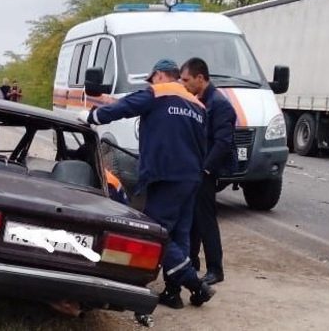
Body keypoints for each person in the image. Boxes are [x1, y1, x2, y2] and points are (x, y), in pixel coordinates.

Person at [80, 58, 214, 310]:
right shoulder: (197, 105)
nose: (151, 83)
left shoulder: (158, 92)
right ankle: (173, 293)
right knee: (180, 235)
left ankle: (195, 285)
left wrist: (92, 116)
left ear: (161, 75)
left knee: (156, 234)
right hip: (191, 177)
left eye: (152, 78)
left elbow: (124, 107)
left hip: (166, 176)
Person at [181, 57, 237, 286]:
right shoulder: (198, 99)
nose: (183, 84)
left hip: (207, 170)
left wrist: (205, 170)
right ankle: (192, 262)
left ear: (200, 78)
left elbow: (223, 143)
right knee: (192, 217)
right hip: (195, 168)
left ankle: (215, 269)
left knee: (206, 220)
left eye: (186, 80)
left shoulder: (220, 104)